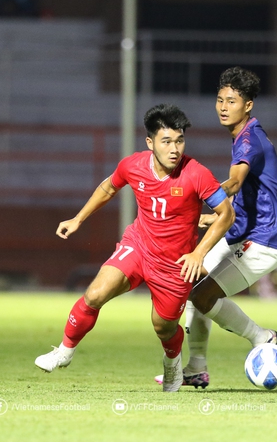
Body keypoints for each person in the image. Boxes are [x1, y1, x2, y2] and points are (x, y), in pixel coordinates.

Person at [34, 103, 235, 392]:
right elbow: (108, 187)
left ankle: (172, 364)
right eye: (167, 142)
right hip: (138, 246)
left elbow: (226, 214)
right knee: (95, 294)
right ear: (150, 142)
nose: (175, 149)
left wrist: (198, 252)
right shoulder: (133, 165)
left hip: (175, 264)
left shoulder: (197, 174)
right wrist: (78, 218)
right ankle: (64, 351)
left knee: (163, 327)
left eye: (180, 141)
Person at [155, 66, 277, 389]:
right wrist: (210, 218)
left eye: (232, 100)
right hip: (243, 234)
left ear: (249, 105)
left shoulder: (248, 142)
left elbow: (234, 183)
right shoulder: (245, 137)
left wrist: (201, 198)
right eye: (220, 99)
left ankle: (262, 337)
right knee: (192, 283)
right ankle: (196, 368)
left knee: (202, 296)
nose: (224, 106)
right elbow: (247, 199)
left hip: (263, 241)